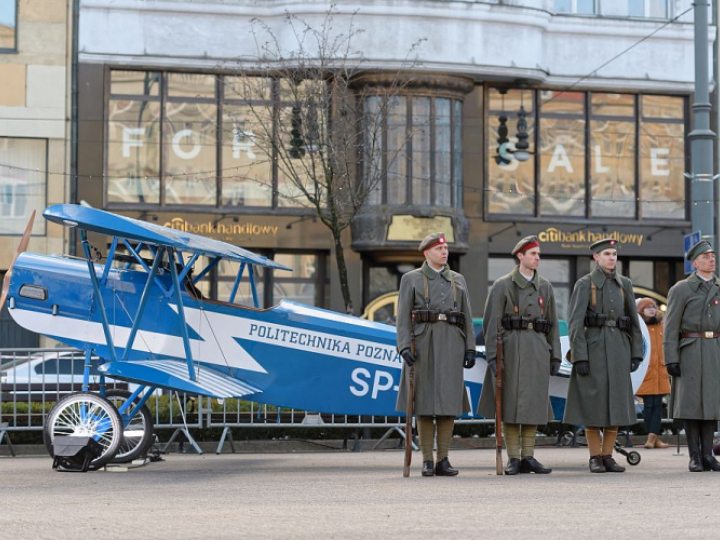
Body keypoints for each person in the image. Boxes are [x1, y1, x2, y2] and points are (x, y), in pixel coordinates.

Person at [478, 235, 561, 475]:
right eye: (533, 254)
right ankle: (513, 457)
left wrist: (554, 355)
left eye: (538, 254)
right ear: (520, 256)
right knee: (511, 404)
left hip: (537, 347)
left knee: (534, 403)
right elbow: (491, 323)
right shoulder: (503, 285)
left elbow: (553, 322)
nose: (537, 258)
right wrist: (494, 357)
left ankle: (529, 456)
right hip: (511, 348)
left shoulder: (545, 286)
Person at [395, 232, 476, 477]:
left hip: (451, 343)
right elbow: (403, 317)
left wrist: (470, 347)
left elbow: (467, 316)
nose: (444, 252)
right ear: (426, 253)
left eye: (445, 248)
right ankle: (427, 460)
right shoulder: (411, 279)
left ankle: (443, 459)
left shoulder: (458, 280)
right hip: (423, 343)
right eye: (439, 248)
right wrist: (403, 347)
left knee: (448, 404)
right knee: (424, 403)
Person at [563, 238, 643, 473]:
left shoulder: (624, 284)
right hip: (594, 349)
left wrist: (636, 352)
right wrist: (580, 356)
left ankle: (608, 456)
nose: (611, 257)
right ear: (596, 258)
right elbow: (575, 323)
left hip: (619, 348)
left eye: (614, 253)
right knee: (593, 405)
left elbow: (634, 322)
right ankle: (594, 456)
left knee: (616, 404)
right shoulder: (585, 284)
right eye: (607, 253)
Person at [663, 240, 720, 472]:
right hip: (690, 350)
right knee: (691, 405)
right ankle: (694, 456)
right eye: (706, 256)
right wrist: (671, 359)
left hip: (714, 349)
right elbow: (670, 327)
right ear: (695, 263)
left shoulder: (718, 286)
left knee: (711, 404)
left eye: (713, 255)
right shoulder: (681, 289)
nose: (712, 259)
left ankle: (708, 455)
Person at [635, 297, 670, 449]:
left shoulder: (662, 327)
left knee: (658, 404)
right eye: (648, 307)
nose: (652, 309)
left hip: (660, 370)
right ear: (641, 311)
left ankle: (652, 438)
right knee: (648, 405)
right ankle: (652, 437)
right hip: (646, 371)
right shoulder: (640, 328)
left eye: (653, 307)